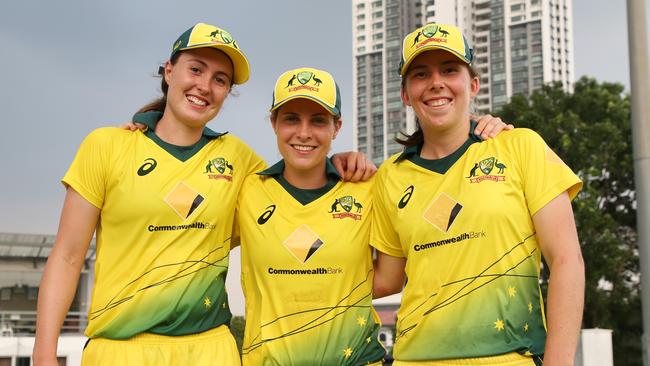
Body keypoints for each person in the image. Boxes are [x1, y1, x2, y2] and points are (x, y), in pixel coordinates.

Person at [32, 23, 372, 366]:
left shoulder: (240, 161)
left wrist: (339, 162)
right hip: (119, 348)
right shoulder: (106, 146)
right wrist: (44, 352)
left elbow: (298, 185)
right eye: (196, 69)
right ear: (169, 71)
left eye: (220, 79)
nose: (205, 86)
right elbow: (67, 257)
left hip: (211, 349)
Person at [234, 67, 512, 366]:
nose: (304, 132)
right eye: (291, 119)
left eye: (318, 120)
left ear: (336, 127)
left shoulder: (371, 187)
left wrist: (473, 126)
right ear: (274, 122)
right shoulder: (247, 189)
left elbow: (390, 280)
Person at [371, 23, 584, 365]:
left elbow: (566, 261)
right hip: (414, 359)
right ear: (406, 95)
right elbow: (386, 280)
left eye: (450, 70)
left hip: (509, 356)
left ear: (473, 85)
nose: (436, 82)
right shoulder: (389, 176)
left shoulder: (519, 146)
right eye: (421, 74)